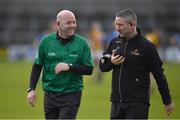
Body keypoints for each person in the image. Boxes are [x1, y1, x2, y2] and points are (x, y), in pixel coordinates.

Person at [99, 9, 174, 119]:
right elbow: (103, 66)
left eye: (120, 25)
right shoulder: (114, 42)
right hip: (116, 103)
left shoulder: (147, 47)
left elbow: (159, 75)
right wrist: (111, 62)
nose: (117, 28)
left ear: (132, 25)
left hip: (137, 104)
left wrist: (167, 101)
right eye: (116, 24)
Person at [27, 10, 94, 119]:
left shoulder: (82, 43)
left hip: (71, 94)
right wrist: (31, 89)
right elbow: (37, 66)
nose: (72, 25)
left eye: (74, 22)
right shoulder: (46, 42)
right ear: (58, 24)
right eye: (68, 23)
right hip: (50, 94)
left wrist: (69, 67)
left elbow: (89, 69)